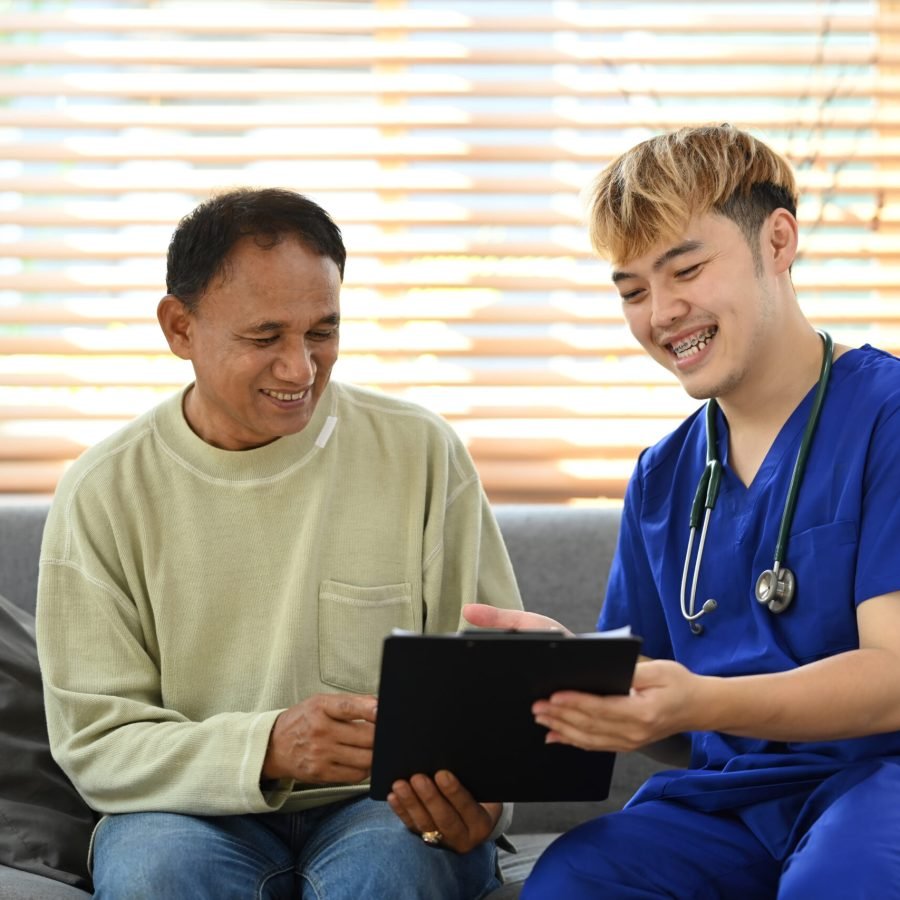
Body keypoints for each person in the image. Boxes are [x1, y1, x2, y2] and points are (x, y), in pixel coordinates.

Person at [35, 187, 523, 899]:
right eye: (265, 338)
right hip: (186, 809)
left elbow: (493, 675)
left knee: (391, 871)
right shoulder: (103, 489)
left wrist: (486, 793)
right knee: (155, 875)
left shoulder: (420, 451)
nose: (300, 369)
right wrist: (267, 747)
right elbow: (97, 740)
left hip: (382, 805)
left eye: (322, 332)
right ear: (179, 328)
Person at [465, 124, 900, 897]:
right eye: (632, 290)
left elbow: (895, 675)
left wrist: (707, 698)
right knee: (573, 880)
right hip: (733, 804)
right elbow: (668, 729)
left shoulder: (886, 418)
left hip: (880, 783)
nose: (662, 313)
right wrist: (588, 682)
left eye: (687, 269)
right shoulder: (663, 476)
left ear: (778, 240)